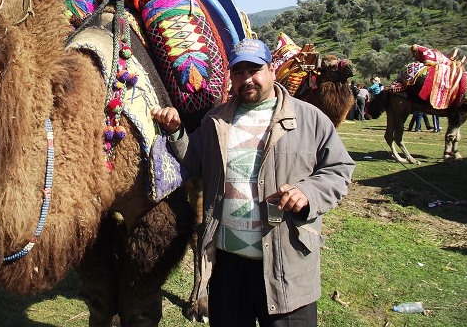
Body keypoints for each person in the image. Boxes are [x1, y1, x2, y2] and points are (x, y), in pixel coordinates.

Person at [151, 38, 355, 327]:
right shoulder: (215, 121)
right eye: (238, 72)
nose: (247, 79)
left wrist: (307, 192)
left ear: (271, 70)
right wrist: (175, 132)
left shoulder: (310, 119)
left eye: (254, 69)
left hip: (286, 261)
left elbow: (339, 168)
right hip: (227, 265)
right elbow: (193, 160)